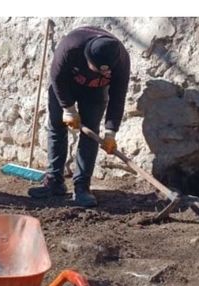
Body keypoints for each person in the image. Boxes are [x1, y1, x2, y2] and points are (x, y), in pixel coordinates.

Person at [28, 26, 131, 207]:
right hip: (65, 85)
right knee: (57, 127)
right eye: (97, 69)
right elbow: (56, 77)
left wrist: (111, 132)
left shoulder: (120, 60)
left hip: (95, 92)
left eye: (105, 72)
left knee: (90, 133)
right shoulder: (72, 46)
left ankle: (82, 187)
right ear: (87, 57)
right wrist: (67, 108)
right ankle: (54, 181)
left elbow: (118, 97)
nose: (102, 73)